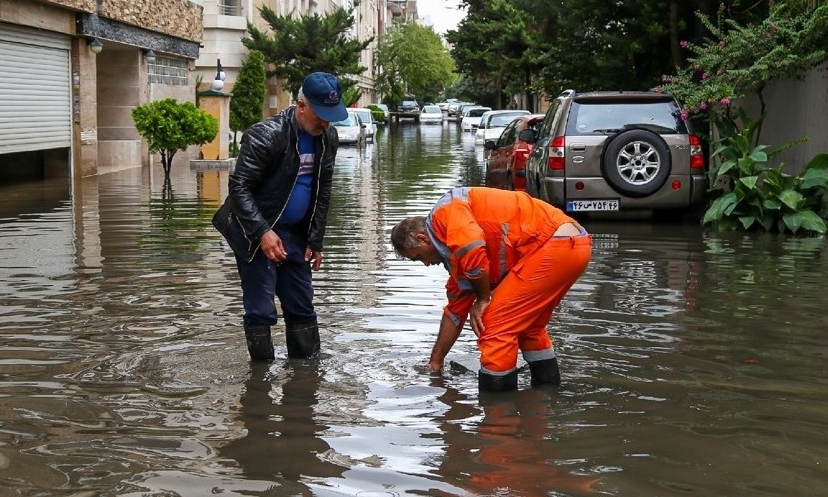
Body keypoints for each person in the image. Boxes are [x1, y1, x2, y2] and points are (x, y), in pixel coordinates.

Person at [390, 187, 592, 392]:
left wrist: (483, 300)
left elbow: (473, 248)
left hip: (555, 244)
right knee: (529, 327)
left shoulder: (445, 214)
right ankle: (547, 395)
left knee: (494, 324)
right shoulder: (456, 258)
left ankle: (498, 415)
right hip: (573, 244)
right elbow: (454, 314)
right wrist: (435, 362)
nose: (424, 264)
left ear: (423, 238)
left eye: (417, 257)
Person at [212, 71, 347, 361]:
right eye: (320, 115)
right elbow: (239, 187)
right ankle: (259, 384)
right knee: (261, 308)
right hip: (256, 232)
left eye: (330, 116)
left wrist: (316, 239)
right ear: (301, 106)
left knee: (301, 304)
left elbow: (323, 191)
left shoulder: (328, 138)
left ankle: (306, 379)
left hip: (296, 234)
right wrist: (262, 232)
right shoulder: (266, 135)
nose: (325, 123)